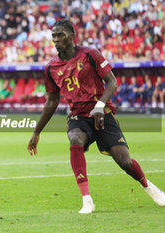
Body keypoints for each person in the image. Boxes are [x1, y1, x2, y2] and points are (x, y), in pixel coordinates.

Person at [27, 19, 165, 214]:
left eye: (60, 35)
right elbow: (52, 101)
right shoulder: (51, 68)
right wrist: (37, 132)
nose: (56, 40)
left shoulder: (90, 54)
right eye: (54, 36)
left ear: (72, 37)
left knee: (124, 161)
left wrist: (100, 106)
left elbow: (112, 83)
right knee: (75, 139)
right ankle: (87, 200)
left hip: (103, 113)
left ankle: (150, 188)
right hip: (78, 116)